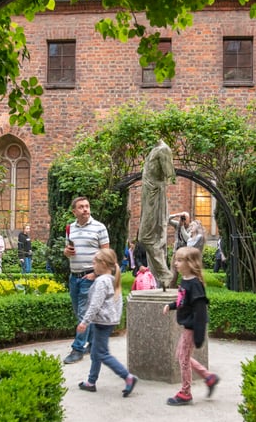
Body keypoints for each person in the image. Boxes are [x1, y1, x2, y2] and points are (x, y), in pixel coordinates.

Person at [161, 246, 220, 406]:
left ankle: (185, 393)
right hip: (188, 326)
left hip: (192, 328)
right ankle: (209, 377)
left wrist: (199, 335)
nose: (176, 264)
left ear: (191, 263)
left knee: (183, 359)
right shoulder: (185, 281)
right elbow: (183, 301)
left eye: (180, 261)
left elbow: (200, 311)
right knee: (181, 355)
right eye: (176, 260)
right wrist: (172, 305)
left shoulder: (194, 284)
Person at [75, 248, 138, 397]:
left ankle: (127, 377)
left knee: (101, 353)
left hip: (102, 322)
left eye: (94, 262)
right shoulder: (111, 279)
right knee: (96, 352)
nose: (92, 265)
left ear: (102, 263)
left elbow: (95, 305)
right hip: (108, 321)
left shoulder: (102, 281)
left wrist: (84, 322)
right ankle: (91, 382)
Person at [63, 197, 110, 364]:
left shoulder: (99, 228)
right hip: (73, 276)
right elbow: (67, 249)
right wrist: (66, 252)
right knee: (79, 312)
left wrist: (96, 274)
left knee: (83, 314)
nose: (85, 209)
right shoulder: (70, 228)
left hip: (90, 277)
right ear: (74, 211)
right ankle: (93, 342)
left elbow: (106, 255)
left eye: (87, 206)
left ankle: (77, 349)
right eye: (81, 207)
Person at [138, 140, 176, 289]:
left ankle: (164, 273)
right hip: (148, 198)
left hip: (155, 198)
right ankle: (163, 275)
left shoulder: (163, 149)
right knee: (146, 237)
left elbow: (169, 173)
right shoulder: (153, 149)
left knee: (145, 237)